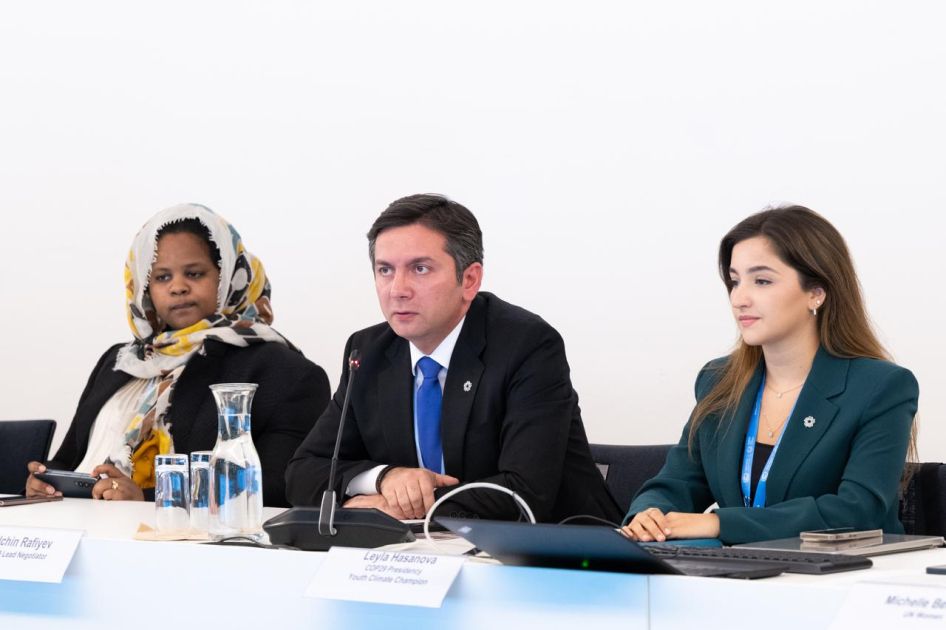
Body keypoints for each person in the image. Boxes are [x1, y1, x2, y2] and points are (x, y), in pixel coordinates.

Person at [285, 194, 621, 523]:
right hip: (420, 551)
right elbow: (302, 473)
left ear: (470, 280)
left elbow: (524, 493)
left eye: (420, 269)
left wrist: (405, 506)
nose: (397, 289)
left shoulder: (527, 346)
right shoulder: (369, 352)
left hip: (561, 548)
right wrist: (384, 478)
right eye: (385, 270)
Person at [622, 206, 918, 544]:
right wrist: (649, 514)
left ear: (816, 293)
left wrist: (719, 524)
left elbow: (857, 511)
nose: (739, 298)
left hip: (846, 570)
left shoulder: (881, 387)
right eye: (735, 281)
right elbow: (677, 483)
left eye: (761, 281)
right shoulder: (719, 380)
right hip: (740, 567)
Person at [26, 204, 330, 507]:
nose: (178, 287)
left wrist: (146, 498)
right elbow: (70, 459)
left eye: (194, 274)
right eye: (162, 277)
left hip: (175, 534)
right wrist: (46, 480)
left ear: (228, 275)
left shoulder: (286, 373)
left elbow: (281, 488)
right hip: (76, 524)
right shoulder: (120, 362)